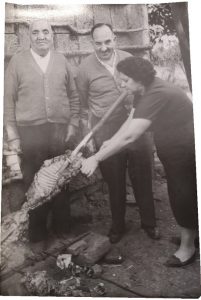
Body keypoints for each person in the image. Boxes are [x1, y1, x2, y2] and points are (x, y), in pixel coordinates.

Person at [81, 56, 198, 267]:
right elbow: (131, 120)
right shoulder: (142, 90)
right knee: (183, 193)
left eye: (125, 80)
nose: (121, 84)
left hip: (185, 149)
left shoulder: (156, 94)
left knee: (183, 195)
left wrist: (96, 158)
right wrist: (111, 141)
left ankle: (188, 248)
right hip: (172, 147)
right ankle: (191, 235)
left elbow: (131, 136)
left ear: (139, 79)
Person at [76, 23, 160, 243]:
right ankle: (118, 226)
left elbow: (147, 89)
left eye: (108, 41)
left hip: (136, 124)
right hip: (106, 129)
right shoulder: (85, 68)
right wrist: (91, 138)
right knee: (114, 181)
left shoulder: (129, 60)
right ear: (91, 42)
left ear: (115, 39)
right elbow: (83, 106)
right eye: (98, 43)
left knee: (143, 175)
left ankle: (149, 223)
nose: (104, 47)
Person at [4, 19, 80, 242]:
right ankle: (37, 235)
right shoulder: (17, 62)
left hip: (59, 130)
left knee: (60, 179)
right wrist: (13, 136)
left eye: (45, 31)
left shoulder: (61, 60)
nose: (41, 36)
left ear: (52, 35)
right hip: (30, 132)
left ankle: (63, 230)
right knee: (35, 184)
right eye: (35, 32)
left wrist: (73, 124)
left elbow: (74, 96)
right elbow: (8, 102)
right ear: (29, 36)